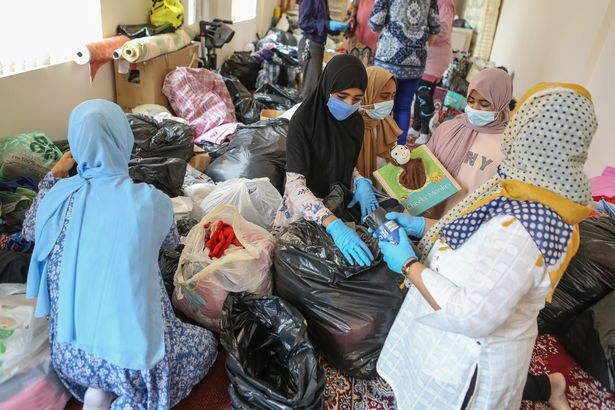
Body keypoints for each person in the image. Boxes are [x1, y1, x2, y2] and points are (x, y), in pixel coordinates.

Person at [374, 83, 596, 409]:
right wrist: (423, 226)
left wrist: (409, 265)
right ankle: (550, 386)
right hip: (446, 322)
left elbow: (474, 315)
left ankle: (550, 387)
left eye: (520, 122)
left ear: (533, 134)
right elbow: (480, 233)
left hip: (471, 355)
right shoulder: (526, 185)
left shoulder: (529, 224)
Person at [24, 100, 217, 409]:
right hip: (136, 362)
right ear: (123, 140)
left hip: (69, 357)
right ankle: (127, 400)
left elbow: (28, 231)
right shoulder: (150, 202)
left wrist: (54, 175)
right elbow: (169, 244)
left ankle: (98, 391)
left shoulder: (54, 198)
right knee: (205, 344)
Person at [273, 54, 377, 267]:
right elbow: (294, 184)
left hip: (337, 204)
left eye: (357, 99)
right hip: (302, 210)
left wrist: (360, 181)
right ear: (326, 87)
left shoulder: (354, 122)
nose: (349, 104)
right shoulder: (303, 122)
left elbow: (344, 162)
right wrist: (331, 224)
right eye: (342, 96)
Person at [426, 67, 513, 218]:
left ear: (501, 102)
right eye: (471, 101)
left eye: (484, 104)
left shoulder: (507, 146)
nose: (475, 108)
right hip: (428, 215)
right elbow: (424, 165)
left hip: (466, 225)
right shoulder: (448, 129)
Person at [369, 0, 440, 144]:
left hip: (389, 58)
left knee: (383, 106)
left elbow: (375, 23)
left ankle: (379, 149)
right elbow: (435, 29)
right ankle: (398, 151)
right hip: (416, 59)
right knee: (404, 107)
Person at [409, 0, 456, 144]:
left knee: (424, 93)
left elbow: (443, 31)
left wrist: (418, 34)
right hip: (426, 55)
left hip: (437, 57)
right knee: (419, 92)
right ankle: (416, 128)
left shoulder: (445, 3)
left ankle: (425, 133)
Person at [356, 65, 403, 183]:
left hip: (383, 184)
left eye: (392, 96)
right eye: (384, 96)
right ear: (367, 92)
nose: (389, 102)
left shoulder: (386, 122)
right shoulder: (350, 124)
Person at [298, 0, 349, 99]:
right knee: (310, 91)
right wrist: (328, 24)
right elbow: (304, 22)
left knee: (314, 86)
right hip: (310, 45)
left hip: (318, 46)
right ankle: (305, 114)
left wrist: (339, 28)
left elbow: (324, 22)